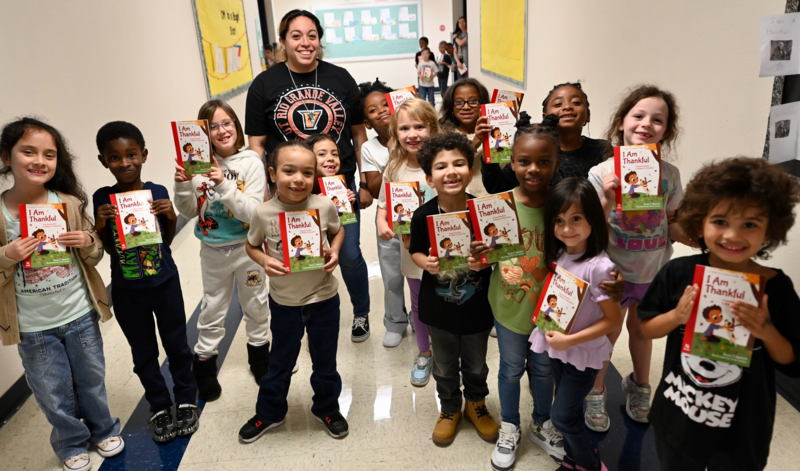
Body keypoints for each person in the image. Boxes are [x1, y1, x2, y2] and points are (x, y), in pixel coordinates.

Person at [638, 157, 800, 471]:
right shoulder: (678, 272)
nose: (733, 236)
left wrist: (766, 331)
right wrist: (676, 317)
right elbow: (646, 327)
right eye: (721, 221)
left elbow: (793, 361)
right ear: (700, 222)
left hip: (744, 428)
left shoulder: (776, 288)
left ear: (770, 230)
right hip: (679, 412)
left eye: (750, 224)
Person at [0, 118, 124, 471]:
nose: (40, 160)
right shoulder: (2, 213)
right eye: (28, 152)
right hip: (33, 324)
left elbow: (95, 252)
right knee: (52, 390)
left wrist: (87, 241)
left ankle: (104, 429)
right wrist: (8, 255)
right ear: (6, 158)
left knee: (91, 378)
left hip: (79, 313)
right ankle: (70, 441)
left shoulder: (66, 203)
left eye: (49, 154)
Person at [245, 9, 372, 341]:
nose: (305, 42)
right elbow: (256, 144)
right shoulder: (264, 83)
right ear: (284, 41)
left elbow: (359, 135)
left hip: (337, 184)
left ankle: (360, 312)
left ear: (320, 40)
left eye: (312, 35)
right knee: (298, 254)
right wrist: (263, 189)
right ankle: (303, 318)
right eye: (296, 35)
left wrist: (364, 182)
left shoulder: (340, 78)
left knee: (348, 254)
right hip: (289, 190)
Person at [586, 85, 692, 431]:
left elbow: (672, 223)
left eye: (658, 120)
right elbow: (592, 228)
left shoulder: (670, 175)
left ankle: (639, 385)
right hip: (613, 273)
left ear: (667, 130)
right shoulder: (600, 173)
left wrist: (690, 237)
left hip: (652, 271)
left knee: (642, 331)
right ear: (621, 122)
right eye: (639, 116)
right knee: (609, 333)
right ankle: (595, 390)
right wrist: (607, 196)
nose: (647, 124)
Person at [93, 122, 198, 443]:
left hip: (164, 281)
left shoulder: (157, 192)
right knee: (143, 353)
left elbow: (164, 243)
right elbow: (109, 249)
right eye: (115, 157)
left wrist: (170, 216)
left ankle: (186, 398)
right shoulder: (102, 198)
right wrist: (100, 223)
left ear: (144, 155)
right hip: (127, 290)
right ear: (103, 161)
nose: (124, 162)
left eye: (131, 154)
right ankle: (159, 404)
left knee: (177, 345)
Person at [468, 115, 563, 471]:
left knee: (543, 370)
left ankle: (541, 421)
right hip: (508, 307)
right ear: (512, 161)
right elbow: (481, 263)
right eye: (524, 161)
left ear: (556, 162)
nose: (533, 169)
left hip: (551, 310)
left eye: (544, 161)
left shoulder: (563, 204)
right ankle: (510, 425)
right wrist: (477, 258)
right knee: (509, 369)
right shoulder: (498, 205)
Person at [239, 141, 348, 443]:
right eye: (289, 171)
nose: (298, 179)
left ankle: (327, 408)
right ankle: (270, 411)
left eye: (307, 173)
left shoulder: (323, 205)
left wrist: (335, 252)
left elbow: (338, 230)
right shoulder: (263, 212)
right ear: (273, 174)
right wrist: (263, 260)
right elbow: (251, 244)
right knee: (280, 362)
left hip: (324, 298)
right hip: (284, 302)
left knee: (325, 362)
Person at [173, 100, 269, 401]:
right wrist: (184, 185)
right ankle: (203, 364)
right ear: (203, 133)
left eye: (227, 122)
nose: (222, 130)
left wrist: (224, 185)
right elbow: (189, 211)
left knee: (255, 301)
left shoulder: (251, 162)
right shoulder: (197, 165)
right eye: (212, 126)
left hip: (248, 251)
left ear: (236, 125)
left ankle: (259, 357)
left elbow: (253, 213)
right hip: (213, 252)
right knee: (213, 306)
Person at [409, 132, 499, 446]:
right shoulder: (422, 215)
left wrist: (483, 262)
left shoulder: (484, 212)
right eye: (441, 166)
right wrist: (427, 264)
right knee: (445, 366)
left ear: (470, 170)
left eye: (459, 163)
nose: (451, 171)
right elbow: (415, 251)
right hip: (438, 311)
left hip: (477, 310)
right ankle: (449, 408)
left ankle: (476, 404)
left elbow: (496, 252)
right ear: (429, 178)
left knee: (476, 364)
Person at [530, 177, 622, 470]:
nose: (567, 229)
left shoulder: (601, 267)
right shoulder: (559, 254)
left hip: (583, 353)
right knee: (566, 410)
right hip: (559, 348)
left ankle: (589, 464)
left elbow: (612, 320)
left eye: (576, 218)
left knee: (562, 417)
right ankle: (572, 459)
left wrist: (570, 341)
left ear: (593, 219)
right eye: (559, 220)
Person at [377, 99, 439, 386]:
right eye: (404, 128)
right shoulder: (395, 167)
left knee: (448, 299)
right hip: (411, 251)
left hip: (443, 250)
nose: (412, 134)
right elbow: (382, 204)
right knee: (418, 303)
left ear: (433, 128)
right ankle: (424, 352)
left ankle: (450, 352)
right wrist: (381, 222)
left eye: (419, 126)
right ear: (395, 132)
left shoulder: (441, 162)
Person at [358, 78, 411, 347]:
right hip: (388, 221)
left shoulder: (415, 136)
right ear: (367, 123)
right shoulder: (369, 149)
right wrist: (395, 151)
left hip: (417, 221)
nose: (381, 111)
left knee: (421, 273)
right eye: (372, 110)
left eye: (384, 104)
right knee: (391, 274)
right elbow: (376, 185)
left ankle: (421, 317)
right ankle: (395, 321)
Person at [483, 82, 611, 193]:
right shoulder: (533, 150)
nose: (567, 107)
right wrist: (488, 141)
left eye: (576, 102)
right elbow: (496, 186)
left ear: (588, 115)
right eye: (558, 104)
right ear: (545, 117)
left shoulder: (602, 149)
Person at [439, 78, 493, 196]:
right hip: (460, 200)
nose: (466, 107)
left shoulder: (493, 130)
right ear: (451, 106)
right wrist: (474, 142)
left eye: (473, 101)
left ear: (482, 103)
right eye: (458, 102)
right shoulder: (441, 134)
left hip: (493, 200)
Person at [306, 133, 357, 216]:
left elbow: (342, 220)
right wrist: (313, 206)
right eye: (322, 154)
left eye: (334, 154)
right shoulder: (301, 186)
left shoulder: (340, 185)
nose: (331, 158)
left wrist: (349, 203)